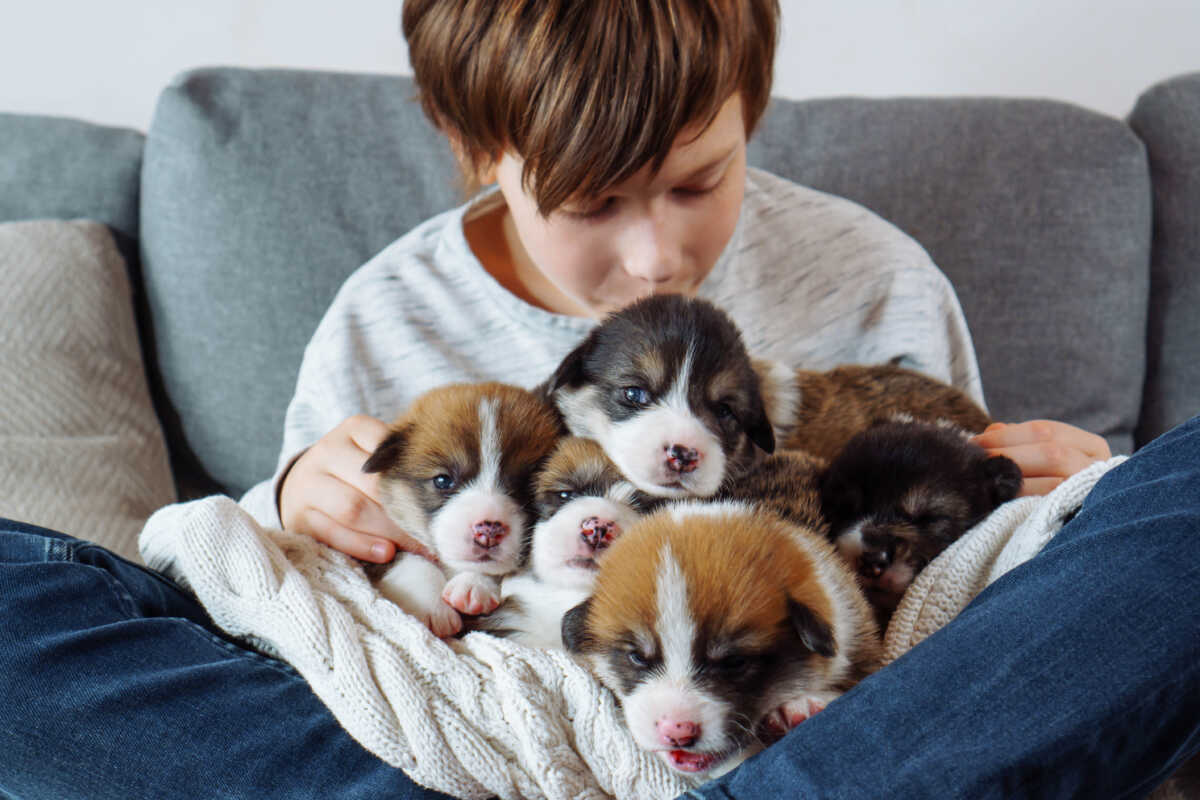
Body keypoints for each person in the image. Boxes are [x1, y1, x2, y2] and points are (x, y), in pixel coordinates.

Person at [0, 1, 1195, 798]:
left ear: (754, 109)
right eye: (592, 204)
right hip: (467, 706)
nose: (654, 257)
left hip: (797, 713)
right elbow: (326, 628)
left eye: (696, 180)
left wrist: (1075, 506)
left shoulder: (873, 279)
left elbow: (943, 623)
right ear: (478, 146)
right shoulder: (388, 317)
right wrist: (295, 500)